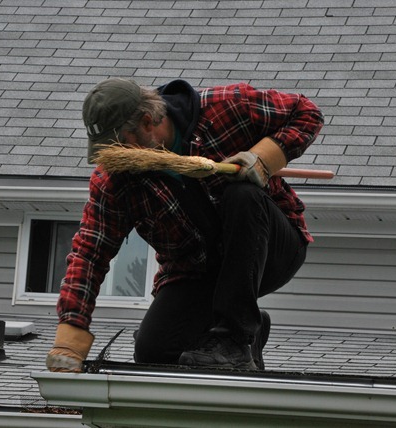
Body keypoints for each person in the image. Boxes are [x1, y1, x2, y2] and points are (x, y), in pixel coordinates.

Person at [46, 78, 323, 372]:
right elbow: (89, 255)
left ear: (147, 121)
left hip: (271, 251)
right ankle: (248, 336)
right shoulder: (116, 181)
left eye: (120, 144)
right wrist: (70, 338)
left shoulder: (225, 107)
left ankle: (236, 338)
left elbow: (307, 113)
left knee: (242, 194)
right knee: (154, 352)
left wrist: (264, 158)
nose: (116, 158)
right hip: (199, 272)